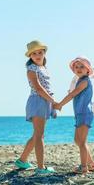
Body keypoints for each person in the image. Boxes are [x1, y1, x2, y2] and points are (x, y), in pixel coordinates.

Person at [15, 40, 57, 174]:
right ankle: (41, 168)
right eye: (34, 53)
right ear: (30, 56)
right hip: (38, 101)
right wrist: (54, 101)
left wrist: (51, 104)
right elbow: (38, 89)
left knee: (37, 134)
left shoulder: (43, 68)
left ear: (44, 53)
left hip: (44, 101)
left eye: (40, 52)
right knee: (40, 136)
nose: (38, 55)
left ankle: (22, 160)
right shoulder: (31, 69)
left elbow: (47, 87)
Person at [54, 57, 94, 174]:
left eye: (82, 66)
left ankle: (84, 167)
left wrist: (60, 104)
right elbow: (74, 94)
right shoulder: (79, 81)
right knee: (77, 140)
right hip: (79, 114)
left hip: (84, 113)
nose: (78, 69)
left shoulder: (84, 81)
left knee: (82, 142)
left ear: (88, 70)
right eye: (76, 67)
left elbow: (73, 94)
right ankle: (91, 164)